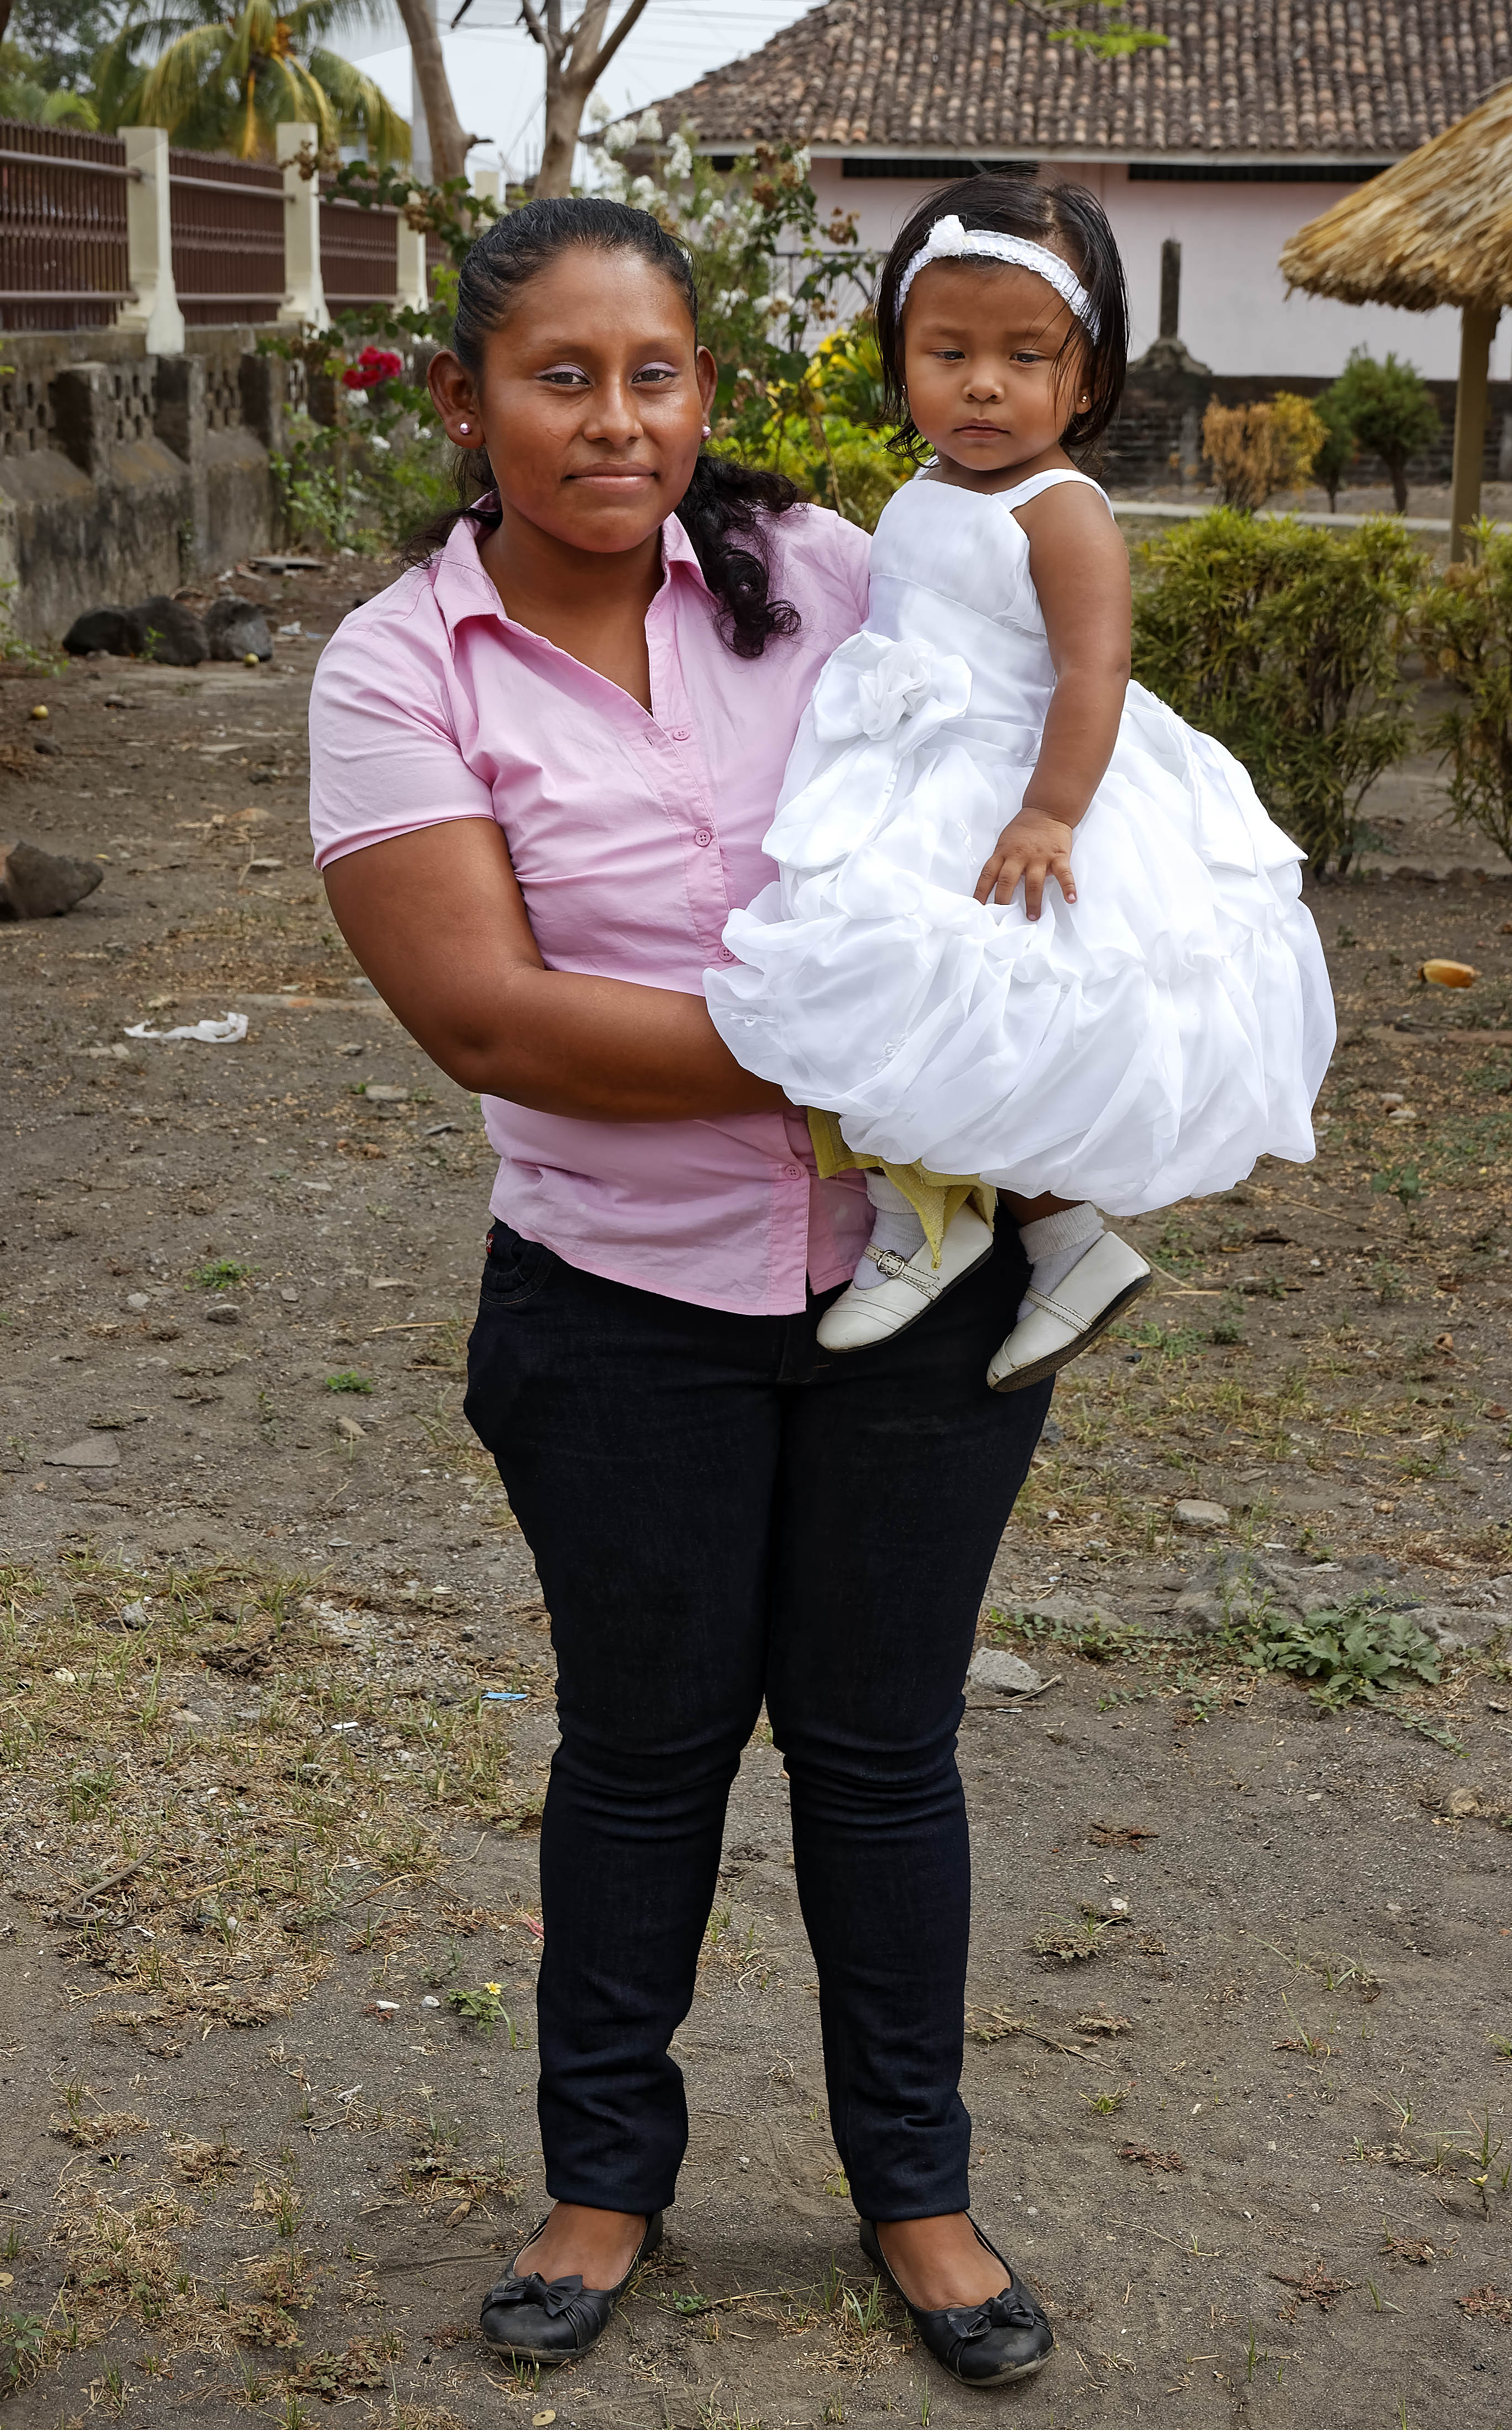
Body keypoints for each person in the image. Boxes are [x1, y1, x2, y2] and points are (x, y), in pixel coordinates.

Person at [309, 197, 1057, 2392]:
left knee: (882, 1751)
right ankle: (601, 2181)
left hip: (921, 1287)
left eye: (653, 374)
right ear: (470, 404)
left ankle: (915, 2192)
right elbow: (494, 1018)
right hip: (616, 1308)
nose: (613, 419)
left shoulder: (820, 575)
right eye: (560, 377)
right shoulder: (403, 670)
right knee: (641, 1755)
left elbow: (1029, 770)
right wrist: (871, 1048)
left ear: (703, 392)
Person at [705, 177, 1336, 1393]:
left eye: (1023, 357)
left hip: (1011, 785)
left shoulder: (1062, 512)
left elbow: (1096, 672)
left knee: (974, 1014)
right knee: (881, 992)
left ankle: (958, 1232)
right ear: (900, 362)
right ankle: (1022, 1240)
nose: (982, 385)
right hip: (904, 775)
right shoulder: (927, 491)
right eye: (947, 354)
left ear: (1085, 379)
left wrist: (1049, 811)